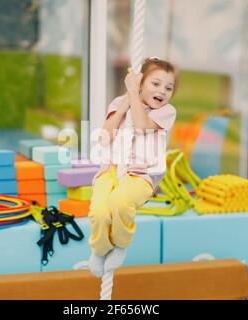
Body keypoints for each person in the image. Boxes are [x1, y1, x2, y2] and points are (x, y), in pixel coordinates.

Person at [88, 57, 178, 277]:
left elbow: (140, 125)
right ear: (141, 83)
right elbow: (104, 138)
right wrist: (124, 106)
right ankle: (100, 250)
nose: (162, 91)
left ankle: (120, 243)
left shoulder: (166, 112)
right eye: (155, 84)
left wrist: (133, 96)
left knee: (120, 202)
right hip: (111, 168)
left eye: (169, 87)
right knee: (99, 211)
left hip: (141, 174)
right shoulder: (121, 102)